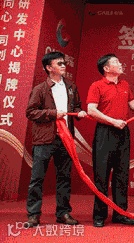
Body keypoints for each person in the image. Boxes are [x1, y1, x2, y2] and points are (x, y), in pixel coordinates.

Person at [86, 53, 134, 228]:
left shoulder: (124, 84)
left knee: (122, 174)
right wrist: (112, 121)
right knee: (102, 175)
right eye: (116, 62)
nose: (121, 64)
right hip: (105, 132)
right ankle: (99, 215)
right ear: (106, 68)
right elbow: (91, 110)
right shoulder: (97, 86)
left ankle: (120, 213)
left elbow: (132, 104)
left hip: (123, 132)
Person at [25, 51, 87, 228]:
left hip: (65, 137)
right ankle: (33, 214)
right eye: (59, 63)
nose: (63, 66)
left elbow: (76, 106)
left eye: (63, 63)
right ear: (48, 67)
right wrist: (53, 114)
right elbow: (30, 112)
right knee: (37, 178)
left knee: (64, 177)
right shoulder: (40, 89)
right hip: (45, 139)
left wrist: (79, 112)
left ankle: (63, 213)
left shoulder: (71, 86)